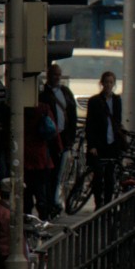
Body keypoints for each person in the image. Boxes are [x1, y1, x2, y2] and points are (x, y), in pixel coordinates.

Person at [40, 63, 79, 215]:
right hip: (50, 139)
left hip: (64, 137)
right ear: (48, 76)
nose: (57, 77)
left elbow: (73, 114)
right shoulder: (43, 93)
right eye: (54, 74)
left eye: (59, 75)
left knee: (58, 173)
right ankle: (49, 201)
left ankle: (53, 200)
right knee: (48, 171)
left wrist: (71, 137)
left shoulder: (66, 92)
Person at [85, 70, 125, 207]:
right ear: (102, 83)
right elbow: (90, 124)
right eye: (106, 82)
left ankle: (107, 203)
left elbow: (117, 121)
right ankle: (98, 202)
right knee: (98, 175)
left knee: (110, 177)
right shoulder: (94, 101)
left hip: (112, 142)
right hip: (99, 142)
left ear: (114, 84)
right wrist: (92, 145)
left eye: (111, 82)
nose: (108, 85)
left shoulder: (117, 100)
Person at [24, 102, 62, 220]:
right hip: (41, 157)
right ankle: (44, 218)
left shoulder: (19, 107)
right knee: (42, 191)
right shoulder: (44, 108)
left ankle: (27, 217)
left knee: (26, 191)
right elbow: (53, 130)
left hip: (25, 155)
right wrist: (59, 148)